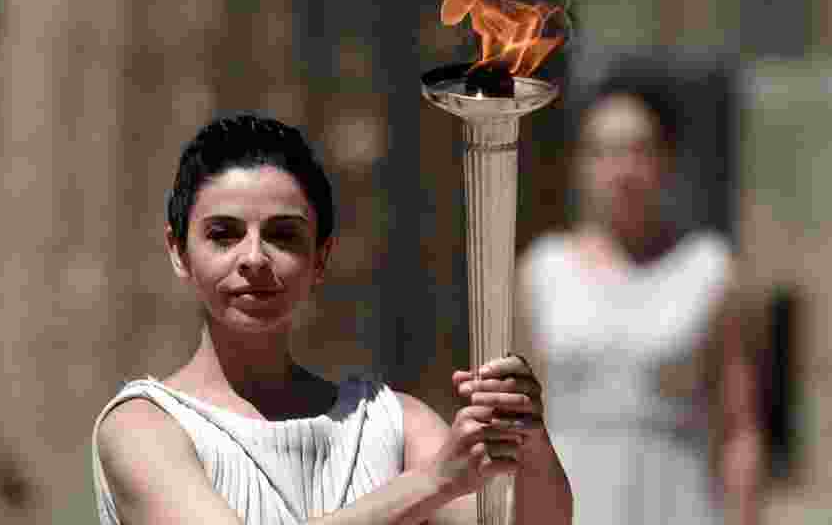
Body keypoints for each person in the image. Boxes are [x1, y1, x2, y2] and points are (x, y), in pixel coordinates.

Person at [90, 114, 572, 525]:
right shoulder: (141, 426)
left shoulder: (392, 424)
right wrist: (432, 482)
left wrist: (527, 438)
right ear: (178, 252)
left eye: (283, 235)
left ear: (321, 257)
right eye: (223, 234)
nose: (254, 257)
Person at [513, 56, 762, 525]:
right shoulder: (542, 272)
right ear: (580, 164)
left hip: (677, 504)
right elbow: (512, 425)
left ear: (666, 160)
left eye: (638, 150)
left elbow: (739, 432)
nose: (622, 170)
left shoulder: (709, 270)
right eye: (603, 152)